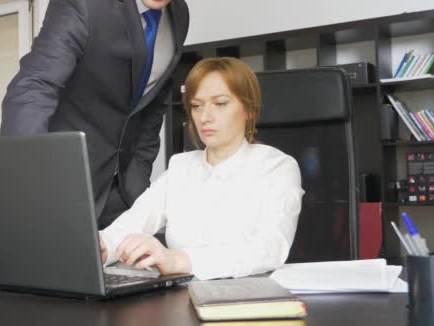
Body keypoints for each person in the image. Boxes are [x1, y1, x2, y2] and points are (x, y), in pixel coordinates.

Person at [0, 0, 189, 229]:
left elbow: (152, 107)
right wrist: (23, 190)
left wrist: (138, 176)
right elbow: (34, 87)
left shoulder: (179, 14)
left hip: (122, 200)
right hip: (60, 191)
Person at [99, 57, 305, 280]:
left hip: (246, 302)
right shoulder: (180, 167)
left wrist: (178, 260)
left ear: (249, 110)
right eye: (197, 106)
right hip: (180, 300)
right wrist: (102, 246)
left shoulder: (277, 168)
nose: (205, 117)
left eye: (220, 104)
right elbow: (134, 221)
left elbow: (270, 247)